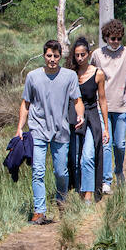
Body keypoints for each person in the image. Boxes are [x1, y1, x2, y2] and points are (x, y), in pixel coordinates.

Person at [17, 39, 84, 224]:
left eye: (55, 56)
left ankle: (62, 201)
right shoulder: (33, 76)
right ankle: (39, 211)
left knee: (61, 172)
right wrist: (19, 129)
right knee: (38, 171)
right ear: (43, 56)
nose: (52, 60)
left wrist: (80, 116)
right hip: (37, 129)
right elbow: (26, 104)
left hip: (61, 131)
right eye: (49, 56)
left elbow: (77, 101)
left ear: (60, 56)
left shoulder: (69, 76)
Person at [93, 19, 126, 194]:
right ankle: (106, 180)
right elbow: (88, 76)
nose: (115, 42)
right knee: (106, 143)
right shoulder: (97, 55)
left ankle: (119, 171)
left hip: (121, 107)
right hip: (102, 107)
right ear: (106, 37)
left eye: (119, 38)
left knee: (119, 144)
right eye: (112, 38)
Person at [65, 36, 109, 203]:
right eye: (77, 55)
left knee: (88, 156)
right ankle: (77, 191)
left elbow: (103, 100)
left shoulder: (98, 74)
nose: (80, 58)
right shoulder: (71, 74)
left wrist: (106, 127)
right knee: (74, 158)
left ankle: (89, 194)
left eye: (83, 54)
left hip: (91, 117)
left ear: (89, 54)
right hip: (73, 117)